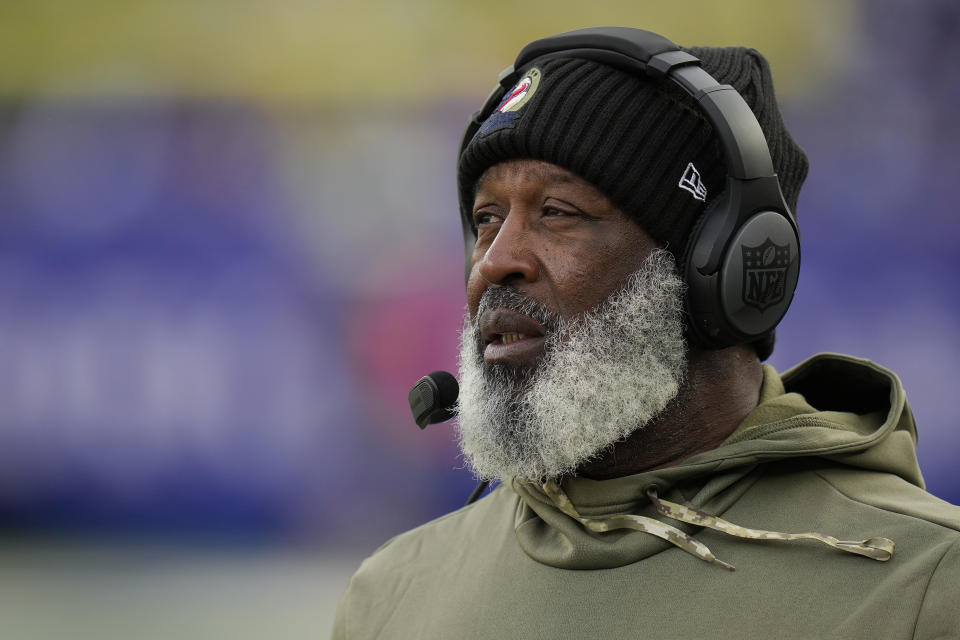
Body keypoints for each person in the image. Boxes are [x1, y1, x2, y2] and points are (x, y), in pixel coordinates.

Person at [332, 27, 960, 639]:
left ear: (724, 268)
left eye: (557, 213)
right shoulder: (392, 594)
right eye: (487, 219)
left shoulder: (925, 584)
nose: (495, 260)